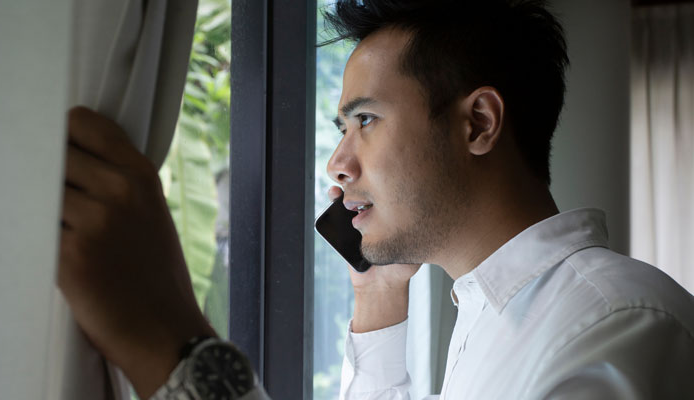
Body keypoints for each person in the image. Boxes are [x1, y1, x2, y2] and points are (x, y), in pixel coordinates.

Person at [58, 0, 694, 399]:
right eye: (342, 129)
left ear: (477, 124)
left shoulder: (618, 326)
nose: (338, 164)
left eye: (366, 120)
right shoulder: (491, 312)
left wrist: (177, 351)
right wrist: (381, 297)